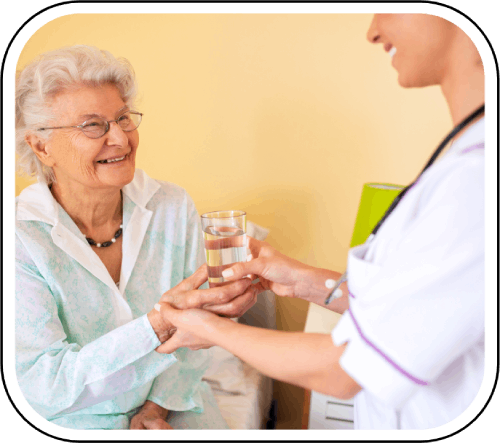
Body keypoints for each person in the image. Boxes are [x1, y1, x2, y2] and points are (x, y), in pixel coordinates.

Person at [154, 14, 486, 430]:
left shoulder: (474, 183)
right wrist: (306, 281)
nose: (373, 31)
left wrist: (210, 329)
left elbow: (344, 371)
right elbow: (416, 311)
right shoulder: (463, 164)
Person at [14, 45, 259, 430]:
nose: (121, 139)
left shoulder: (172, 206)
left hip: (170, 403)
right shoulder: (21, 238)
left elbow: (196, 332)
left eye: (123, 118)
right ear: (42, 146)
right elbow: (45, 385)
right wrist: (158, 324)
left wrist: (156, 409)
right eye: (92, 125)